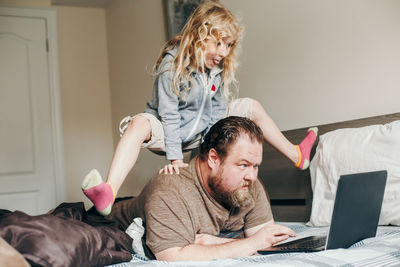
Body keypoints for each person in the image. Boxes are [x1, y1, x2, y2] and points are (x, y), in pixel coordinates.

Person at [81, 1, 318, 216]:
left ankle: (297, 154)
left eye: (229, 45)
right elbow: (169, 113)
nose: (224, 52)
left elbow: (217, 109)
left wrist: (209, 148)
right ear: (199, 36)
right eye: (219, 43)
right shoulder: (171, 64)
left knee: (251, 106)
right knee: (138, 124)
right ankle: (109, 192)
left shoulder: (216, 68)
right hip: (166, 130)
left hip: (200, 131)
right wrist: (175, 159)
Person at [106, 116, 296, 261]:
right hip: (108, 220)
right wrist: (249, 243)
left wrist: (213, 242)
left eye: (256, 166)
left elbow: (264, 239)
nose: (252, 176)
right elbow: (172, 256)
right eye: (243, 165)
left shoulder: (248, 184)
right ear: (214, 159)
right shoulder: (170, 190)